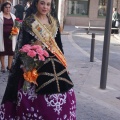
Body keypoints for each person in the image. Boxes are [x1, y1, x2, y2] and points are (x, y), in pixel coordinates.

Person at [0, 0, 76, 119]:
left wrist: (63, 62)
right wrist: (28, 58)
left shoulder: (54, 22)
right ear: (36, 4)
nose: (45, 7)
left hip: (55, 61)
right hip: (35, 62)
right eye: (42, 3)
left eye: (48, 4)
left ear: (51, 6)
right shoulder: (29, 22)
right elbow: (22, 45)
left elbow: (58, 45)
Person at [0, 2, 16, 73]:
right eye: (6, 7)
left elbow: (16, 26)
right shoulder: (0, 16)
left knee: (11, 52)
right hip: (2, 37)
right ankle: (3, 66)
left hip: (11, 37)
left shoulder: (13, 16)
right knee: (2, 52)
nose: (8, 9)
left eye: (9, 7)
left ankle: (9, 66)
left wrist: (16, 31)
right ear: (3, 8)